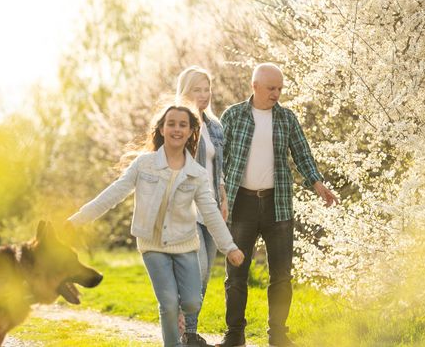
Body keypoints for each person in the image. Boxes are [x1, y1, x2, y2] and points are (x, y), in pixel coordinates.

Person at [67, 104, 245, 347]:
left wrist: (230, 247)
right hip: (152, 245)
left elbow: (211, 213)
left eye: (183, 125)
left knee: (192, 302)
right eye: (171, 123)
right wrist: (76, 220)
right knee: (169, 303)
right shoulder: (144, 164)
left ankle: (180, 315)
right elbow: (113, 194)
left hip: (184, 244)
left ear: (192, 131)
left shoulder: (197, 173)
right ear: (161, 129)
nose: (176, 129)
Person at [216, 63, 338, 347]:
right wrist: (217, 195)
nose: (276, 94)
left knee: (282, 275)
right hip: (241, 204)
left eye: (280, 89)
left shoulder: (286, 118)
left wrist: (317, 183)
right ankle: (234, 335)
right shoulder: (233, 116)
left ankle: (278, 336)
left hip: (277, 204)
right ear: (255, 86)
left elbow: (302, 155)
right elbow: (218, 160)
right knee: (236, 275)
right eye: (272, 88)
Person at [175, 66, 228, 347]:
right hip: (187, 209)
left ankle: (188, 332)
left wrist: (224, 196)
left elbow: (218, 168)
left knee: (205, 273)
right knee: (197, 269)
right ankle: (185, 333)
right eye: (197, 89)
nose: (204, 95)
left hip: (211, 207)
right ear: (185, 91)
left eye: (207, 89)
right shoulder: (178, 124)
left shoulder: (215, 126)